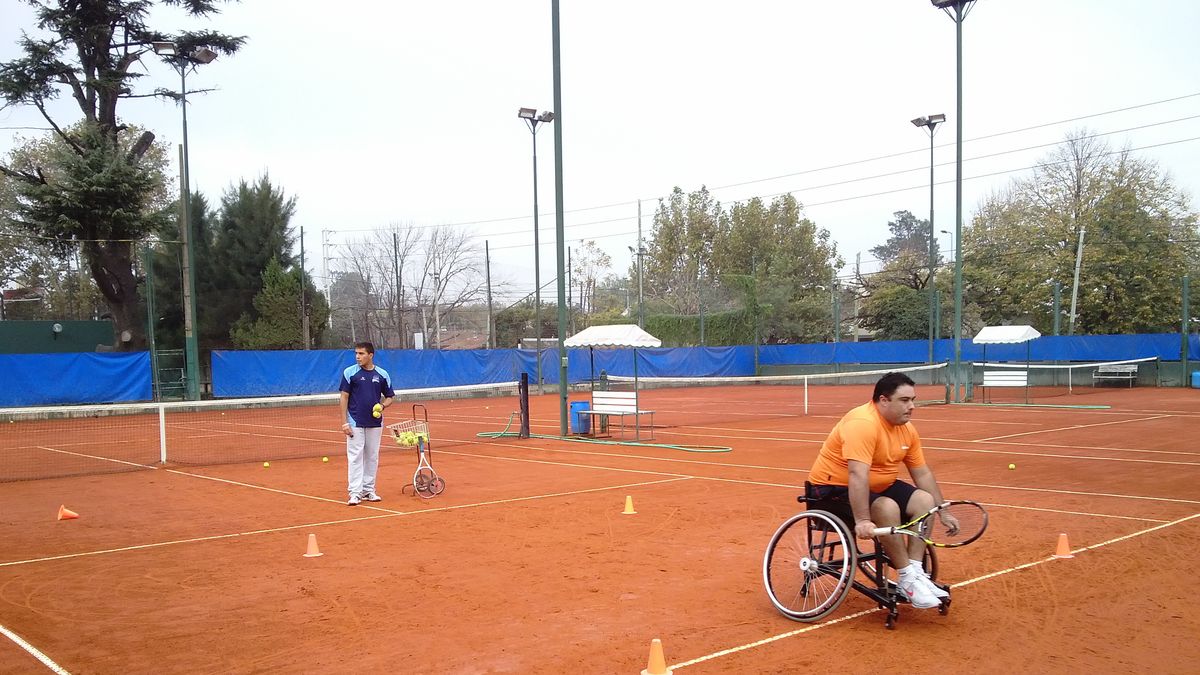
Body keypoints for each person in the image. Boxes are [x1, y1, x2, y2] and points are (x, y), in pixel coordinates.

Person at [807, 372, 953, 609]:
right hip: (831, 490)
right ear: (883, 400)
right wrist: (863, 520)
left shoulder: (907, 430)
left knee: (924, 501)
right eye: (904, 400)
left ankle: (915, 573)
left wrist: (942, 511)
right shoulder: (862, 424)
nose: (912, 406)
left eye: (913, 400)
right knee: (886, 506)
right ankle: (906, 577)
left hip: (878, 485)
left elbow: (922, 474)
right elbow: (857, 474)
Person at [339, 342, 395, 506]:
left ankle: (368, 490)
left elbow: (390, 396)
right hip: (355, 421)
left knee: (372, 456)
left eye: (361, 353)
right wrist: (344, 423)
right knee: (355, 457)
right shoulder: (350, 373)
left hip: (375, 422)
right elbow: (344, 397)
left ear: (371, 355)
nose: (358, 357)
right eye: (356, 353)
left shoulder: (382, 374)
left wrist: (382, 406)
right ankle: (355, 493)